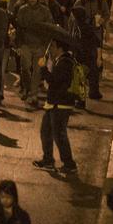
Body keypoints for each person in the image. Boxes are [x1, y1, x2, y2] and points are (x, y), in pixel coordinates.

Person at [33, 40, 78, 173]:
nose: (50, 49)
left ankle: (69, 164)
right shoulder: (61, 60)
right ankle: (48, 160)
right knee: (45, 131)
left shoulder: (65, 63)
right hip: (54, 103)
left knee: (59, 135)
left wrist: (43, 68)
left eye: (52, 46)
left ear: (59, 48)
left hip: (61, 105)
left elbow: (54, 81)